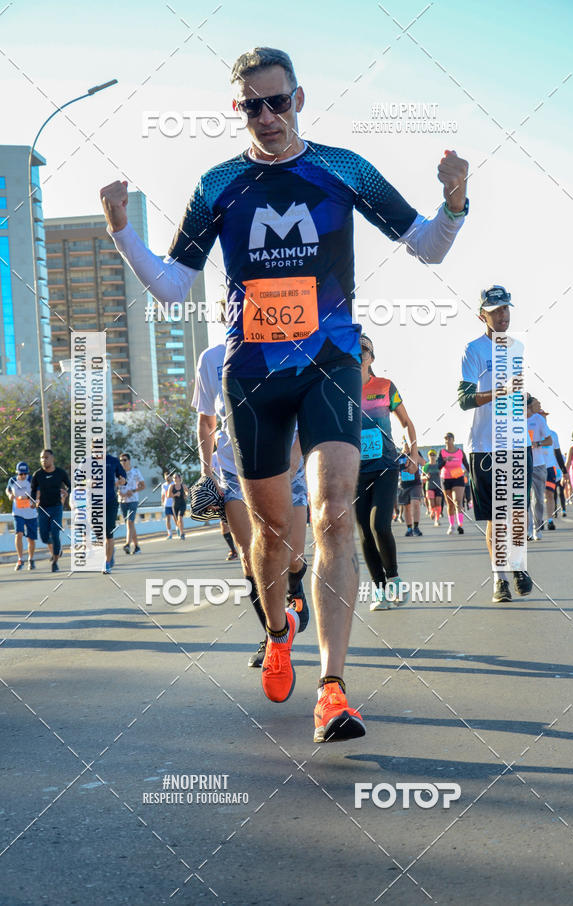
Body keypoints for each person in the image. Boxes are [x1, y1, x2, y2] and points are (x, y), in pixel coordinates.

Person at [101, 46, 468, 742]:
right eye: (252, 105)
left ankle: (333, 688)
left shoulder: (343, 169)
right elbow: (177, 283)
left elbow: (428, 245)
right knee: (273, 536)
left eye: (278, 101)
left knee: (332, 517)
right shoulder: (219, 184)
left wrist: (454, 201)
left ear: (300, 100)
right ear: (237, 109)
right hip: (254, 377)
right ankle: (277, 630)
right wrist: (122, 233)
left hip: (330, 363)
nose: (267, 116)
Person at [194, 340, 310, 669]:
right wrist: (207, 472)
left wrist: (294, 460)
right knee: (250, 558)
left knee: (292, 556)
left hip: (286, 466)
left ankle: (295, 586)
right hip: (234, 471)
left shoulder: (290, 347)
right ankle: (274, 639)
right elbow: (206, 422)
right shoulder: (211, 358)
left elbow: (306, 414)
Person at [458, 286, 533, 604]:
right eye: (496, 311)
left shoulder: (517, 348)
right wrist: (497, 393)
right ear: (482, 316)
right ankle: (499, 579)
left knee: (516, 513)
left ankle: (516, 565)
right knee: (495, 517)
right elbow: (464, 399)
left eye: (506, 309)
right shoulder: (473, 350)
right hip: (485, 446)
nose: (503, 315)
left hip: (517, 442)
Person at [356, 334, 418, 611]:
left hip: (385, 466)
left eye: (365, 349)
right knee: (364, 533)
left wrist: (413, 453)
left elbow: (406, 422)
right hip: (353, 471)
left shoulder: (384, 386)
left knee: (379, 524)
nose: (359, 352)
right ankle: (380, 591)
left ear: (372, 356)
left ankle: (393, 579)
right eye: (354, 348)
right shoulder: (338, 389)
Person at [30, 449, 70, 573]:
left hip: (56, 507)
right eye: (42, 458)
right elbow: (32, 491)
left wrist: (66, 492)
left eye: (46, 457)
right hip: (42, 508)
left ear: (52, 458)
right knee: (44, 536)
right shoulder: (38, 475)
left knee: (55, 532)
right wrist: (32, 501)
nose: (44, 460)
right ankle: (56, 548)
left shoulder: (60, 473)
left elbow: (70, 485)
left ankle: (55, 561)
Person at [526, 397, 552, 541]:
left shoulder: (539, 419)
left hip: (538, 465)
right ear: (528, 406)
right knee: (525, 500)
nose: (540, 405)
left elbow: (549, 440)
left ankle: (538, 528)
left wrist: (537, 443)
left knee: (539, 499)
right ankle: (529, 529)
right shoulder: (515, 420)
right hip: (522, 465)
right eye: (537, 404)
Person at [6, 462, 38, 571]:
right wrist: (10, 495)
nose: (23, 476)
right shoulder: (13, 480)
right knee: (18, 534)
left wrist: (35, 500)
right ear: (17, 473)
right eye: (21, 474)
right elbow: (8, 489)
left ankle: (31, 559)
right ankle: (20, 559)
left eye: (25, 474)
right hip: (18, 512)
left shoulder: (31, 480)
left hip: (31, 513)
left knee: (31, 539)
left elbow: (38, 492)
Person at [437, 432, 469, 534]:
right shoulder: (442, 452)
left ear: (453, 440)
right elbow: (438, 466)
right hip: (446, 478)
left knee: (457, 501)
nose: (447, 439)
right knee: (450, 504)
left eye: (449, 438)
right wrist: (445, 460)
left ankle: (460, 525)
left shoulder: (460, 452)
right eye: (446, 438)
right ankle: (451, 525)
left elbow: (467, 465)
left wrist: (472, 474)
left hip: (458, 477)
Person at [104, 452, 127, 574]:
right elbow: (78, 478)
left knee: (109, 531)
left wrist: (121, 480)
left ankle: (107, 562)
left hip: (111, 500)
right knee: (99, 533)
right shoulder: (87, 462)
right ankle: (109, 551)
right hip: (94, 502)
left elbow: (123, 477)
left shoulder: (112, 461)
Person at [117, 453, 145, 554]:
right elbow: (114, 484)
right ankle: (137, 547)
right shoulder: (118, 472)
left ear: (129, 461)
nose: (122, 462)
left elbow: (143, 486)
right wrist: (118, 491)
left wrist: (132, 491)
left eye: (124, 460)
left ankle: (127, 544)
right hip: (122, 501)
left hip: (133, 500)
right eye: (121, 460)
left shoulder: (136, 471)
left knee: (130, 522)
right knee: (130, 524)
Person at [399, 441, 426, 536]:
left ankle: (416, 527)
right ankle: (409, 528)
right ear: (402, 444)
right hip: (404, 485)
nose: (406, 444)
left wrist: (414, 455)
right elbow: (395, 468)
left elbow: (423, 463)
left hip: (415, 483)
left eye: (408, 442)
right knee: (406, 507)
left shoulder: (416, 453)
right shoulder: (399, 456)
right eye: (404, 442)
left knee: (415, 503)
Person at [422, 450, 443, 527]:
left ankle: (437, 520)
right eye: (430, 455)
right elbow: (422, 477)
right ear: (428, 456)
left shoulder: (438, 465)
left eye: (434, 455)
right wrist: (425, 477)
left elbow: (443, 474)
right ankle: (432, 512)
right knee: (432, 504)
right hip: (429, 487)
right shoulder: (426, 466)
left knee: (438, 503)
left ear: (436, 456)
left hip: (438, 486)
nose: (432, 456)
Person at [166, 472, 189, 539]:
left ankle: (182, 533)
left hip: (182, 504)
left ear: (179, 478)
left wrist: (186, 495)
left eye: (176, 477)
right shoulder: (171, 486)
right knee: (177, 521)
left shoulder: (183, 486)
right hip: (175, 505)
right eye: (173, 478)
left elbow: (187, 491)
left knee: (180, 517)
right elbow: (168, 496)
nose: (174, 479)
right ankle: (179, 529)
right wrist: (175, 494)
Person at [161, 470, 175, 539]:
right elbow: (163, 495)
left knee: (176, 519)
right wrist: (163, 503)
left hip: (174, 504)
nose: (167, 478)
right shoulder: (163, 485)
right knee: (167, 519)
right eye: (165, 477)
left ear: (171, 477)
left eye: (168, 476)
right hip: (167, 505)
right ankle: (169, 534)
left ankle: (179, 530)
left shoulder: (173, 484)